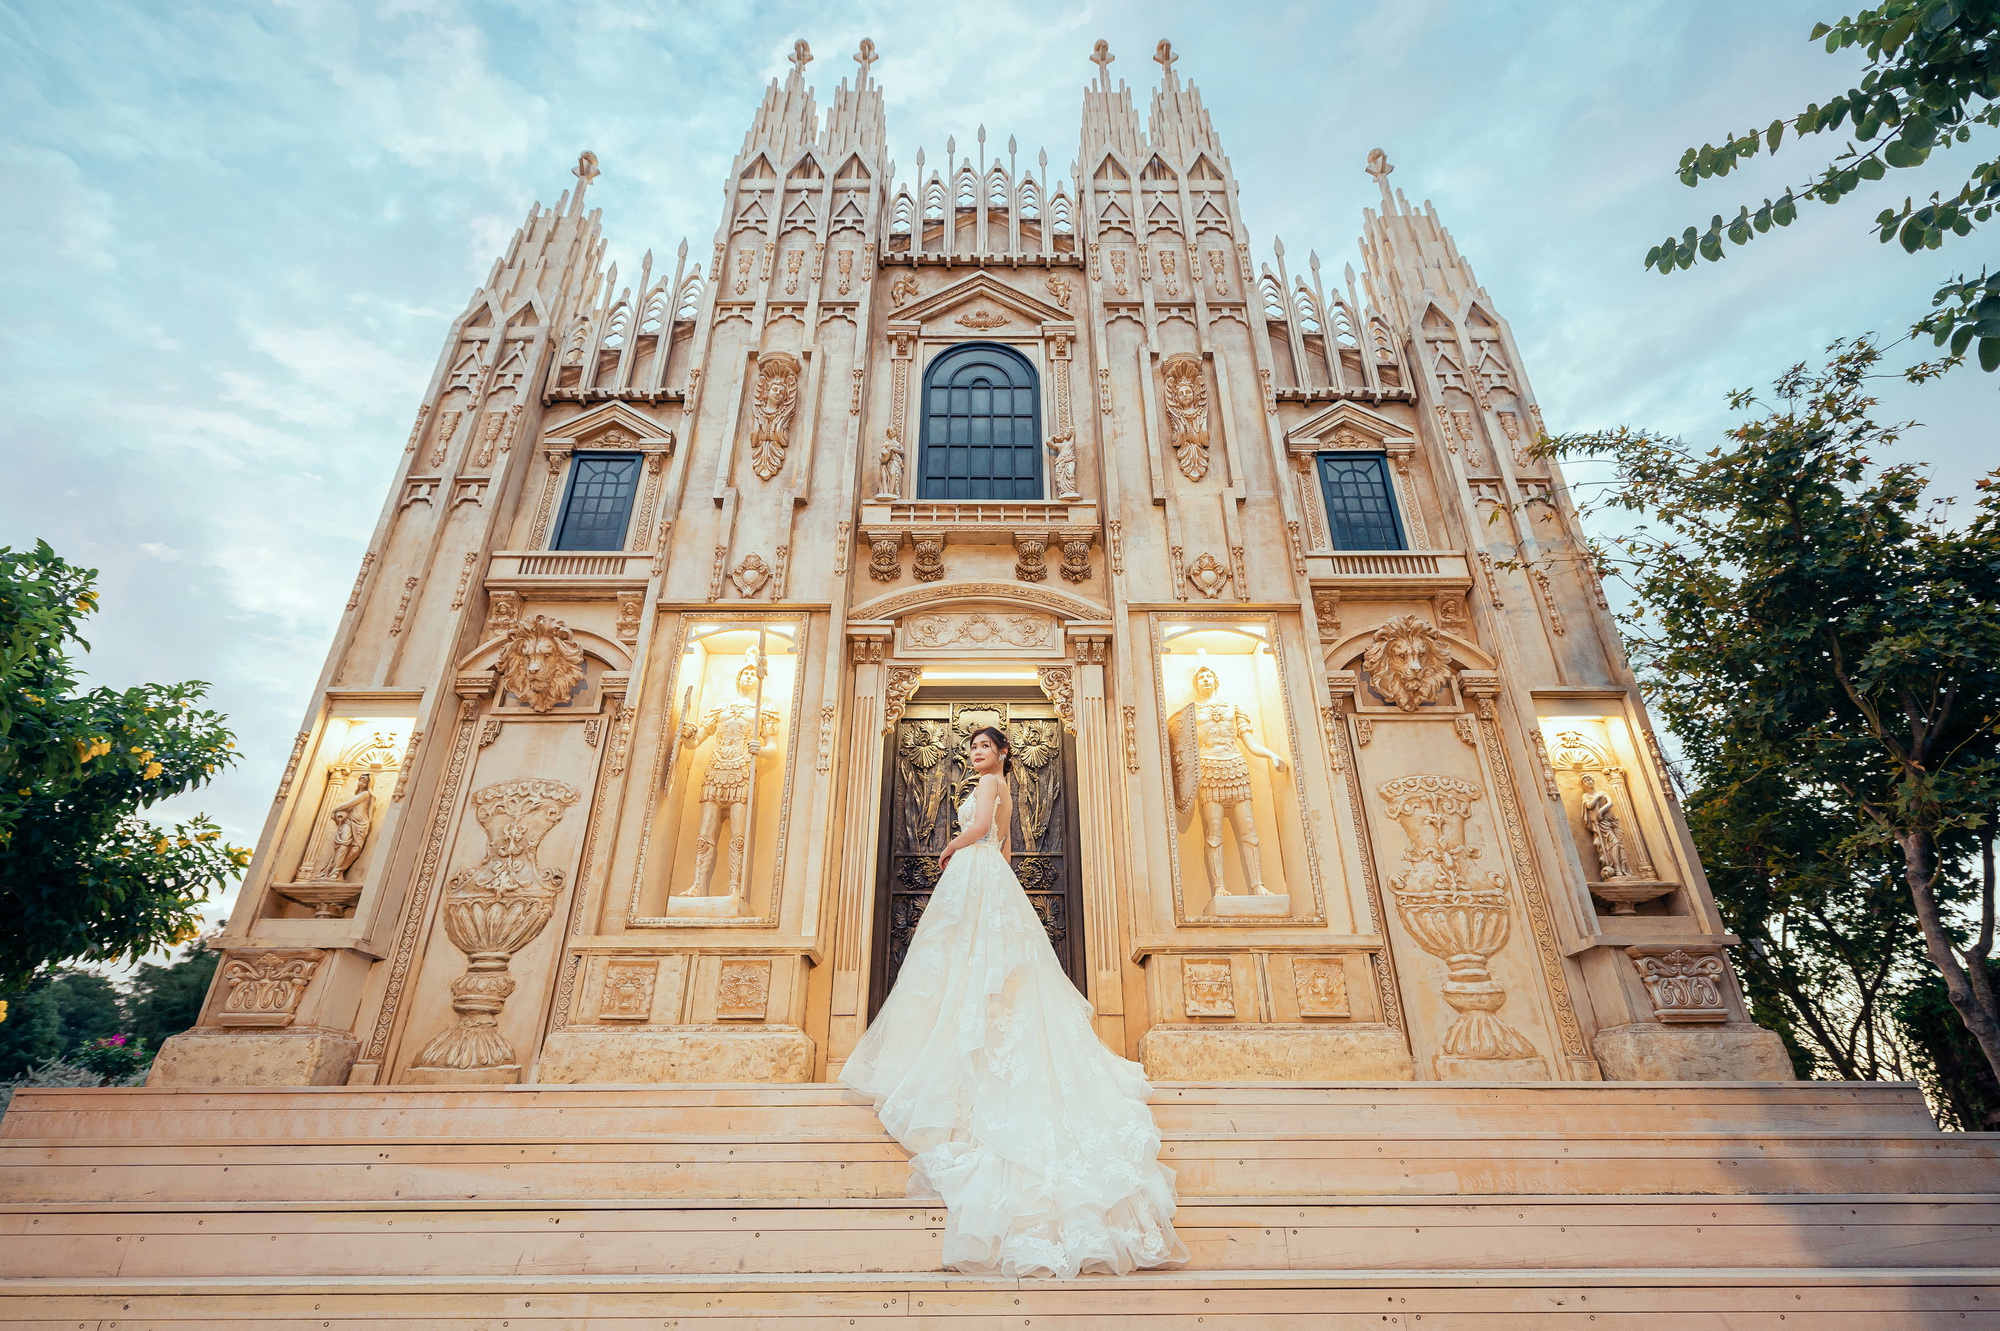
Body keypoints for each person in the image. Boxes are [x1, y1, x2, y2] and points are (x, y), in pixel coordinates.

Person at [843, 726, 1186, 1278]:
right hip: (993, 875)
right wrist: (990, 867)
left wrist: (948, 850)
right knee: (981, 965)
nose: (976, 754)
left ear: (1001, 752)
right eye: (973, 747)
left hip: (976, 874)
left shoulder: (986, 787)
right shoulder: (1006, 787)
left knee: (962, 962)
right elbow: (1006, 844)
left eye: (984, 747)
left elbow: (980, 830)